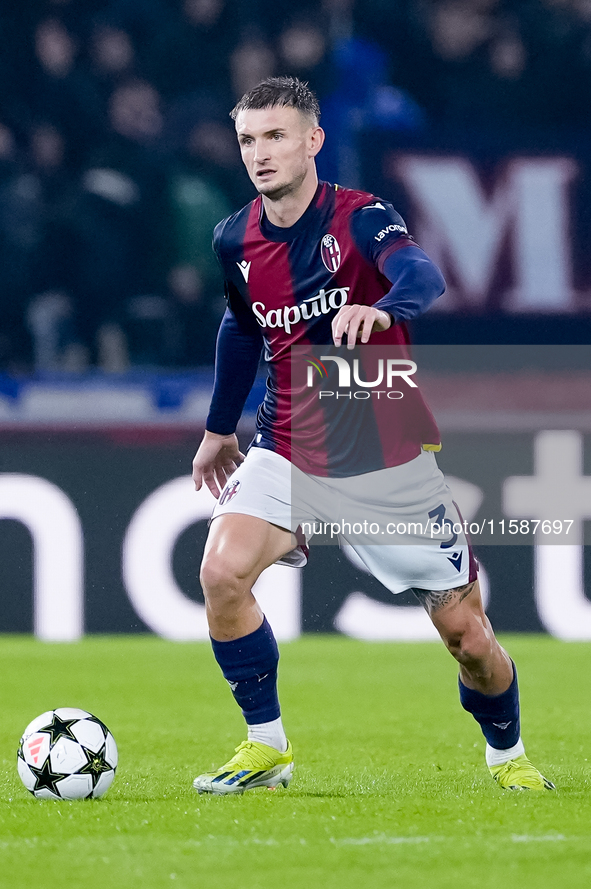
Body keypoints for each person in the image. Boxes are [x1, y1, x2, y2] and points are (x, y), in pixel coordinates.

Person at [191, 76, 554, 795]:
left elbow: (422, 273)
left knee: (468, 640)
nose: (259, 154)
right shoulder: (233, 237)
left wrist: (386, 310)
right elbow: (241, 326)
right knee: (221, 573)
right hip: (287, 445)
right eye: (247, 141)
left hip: (385, 462)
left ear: (312, 140)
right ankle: (267, 748)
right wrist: (214, 427)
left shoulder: (360, 219)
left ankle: (506, 753)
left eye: (274, 136)